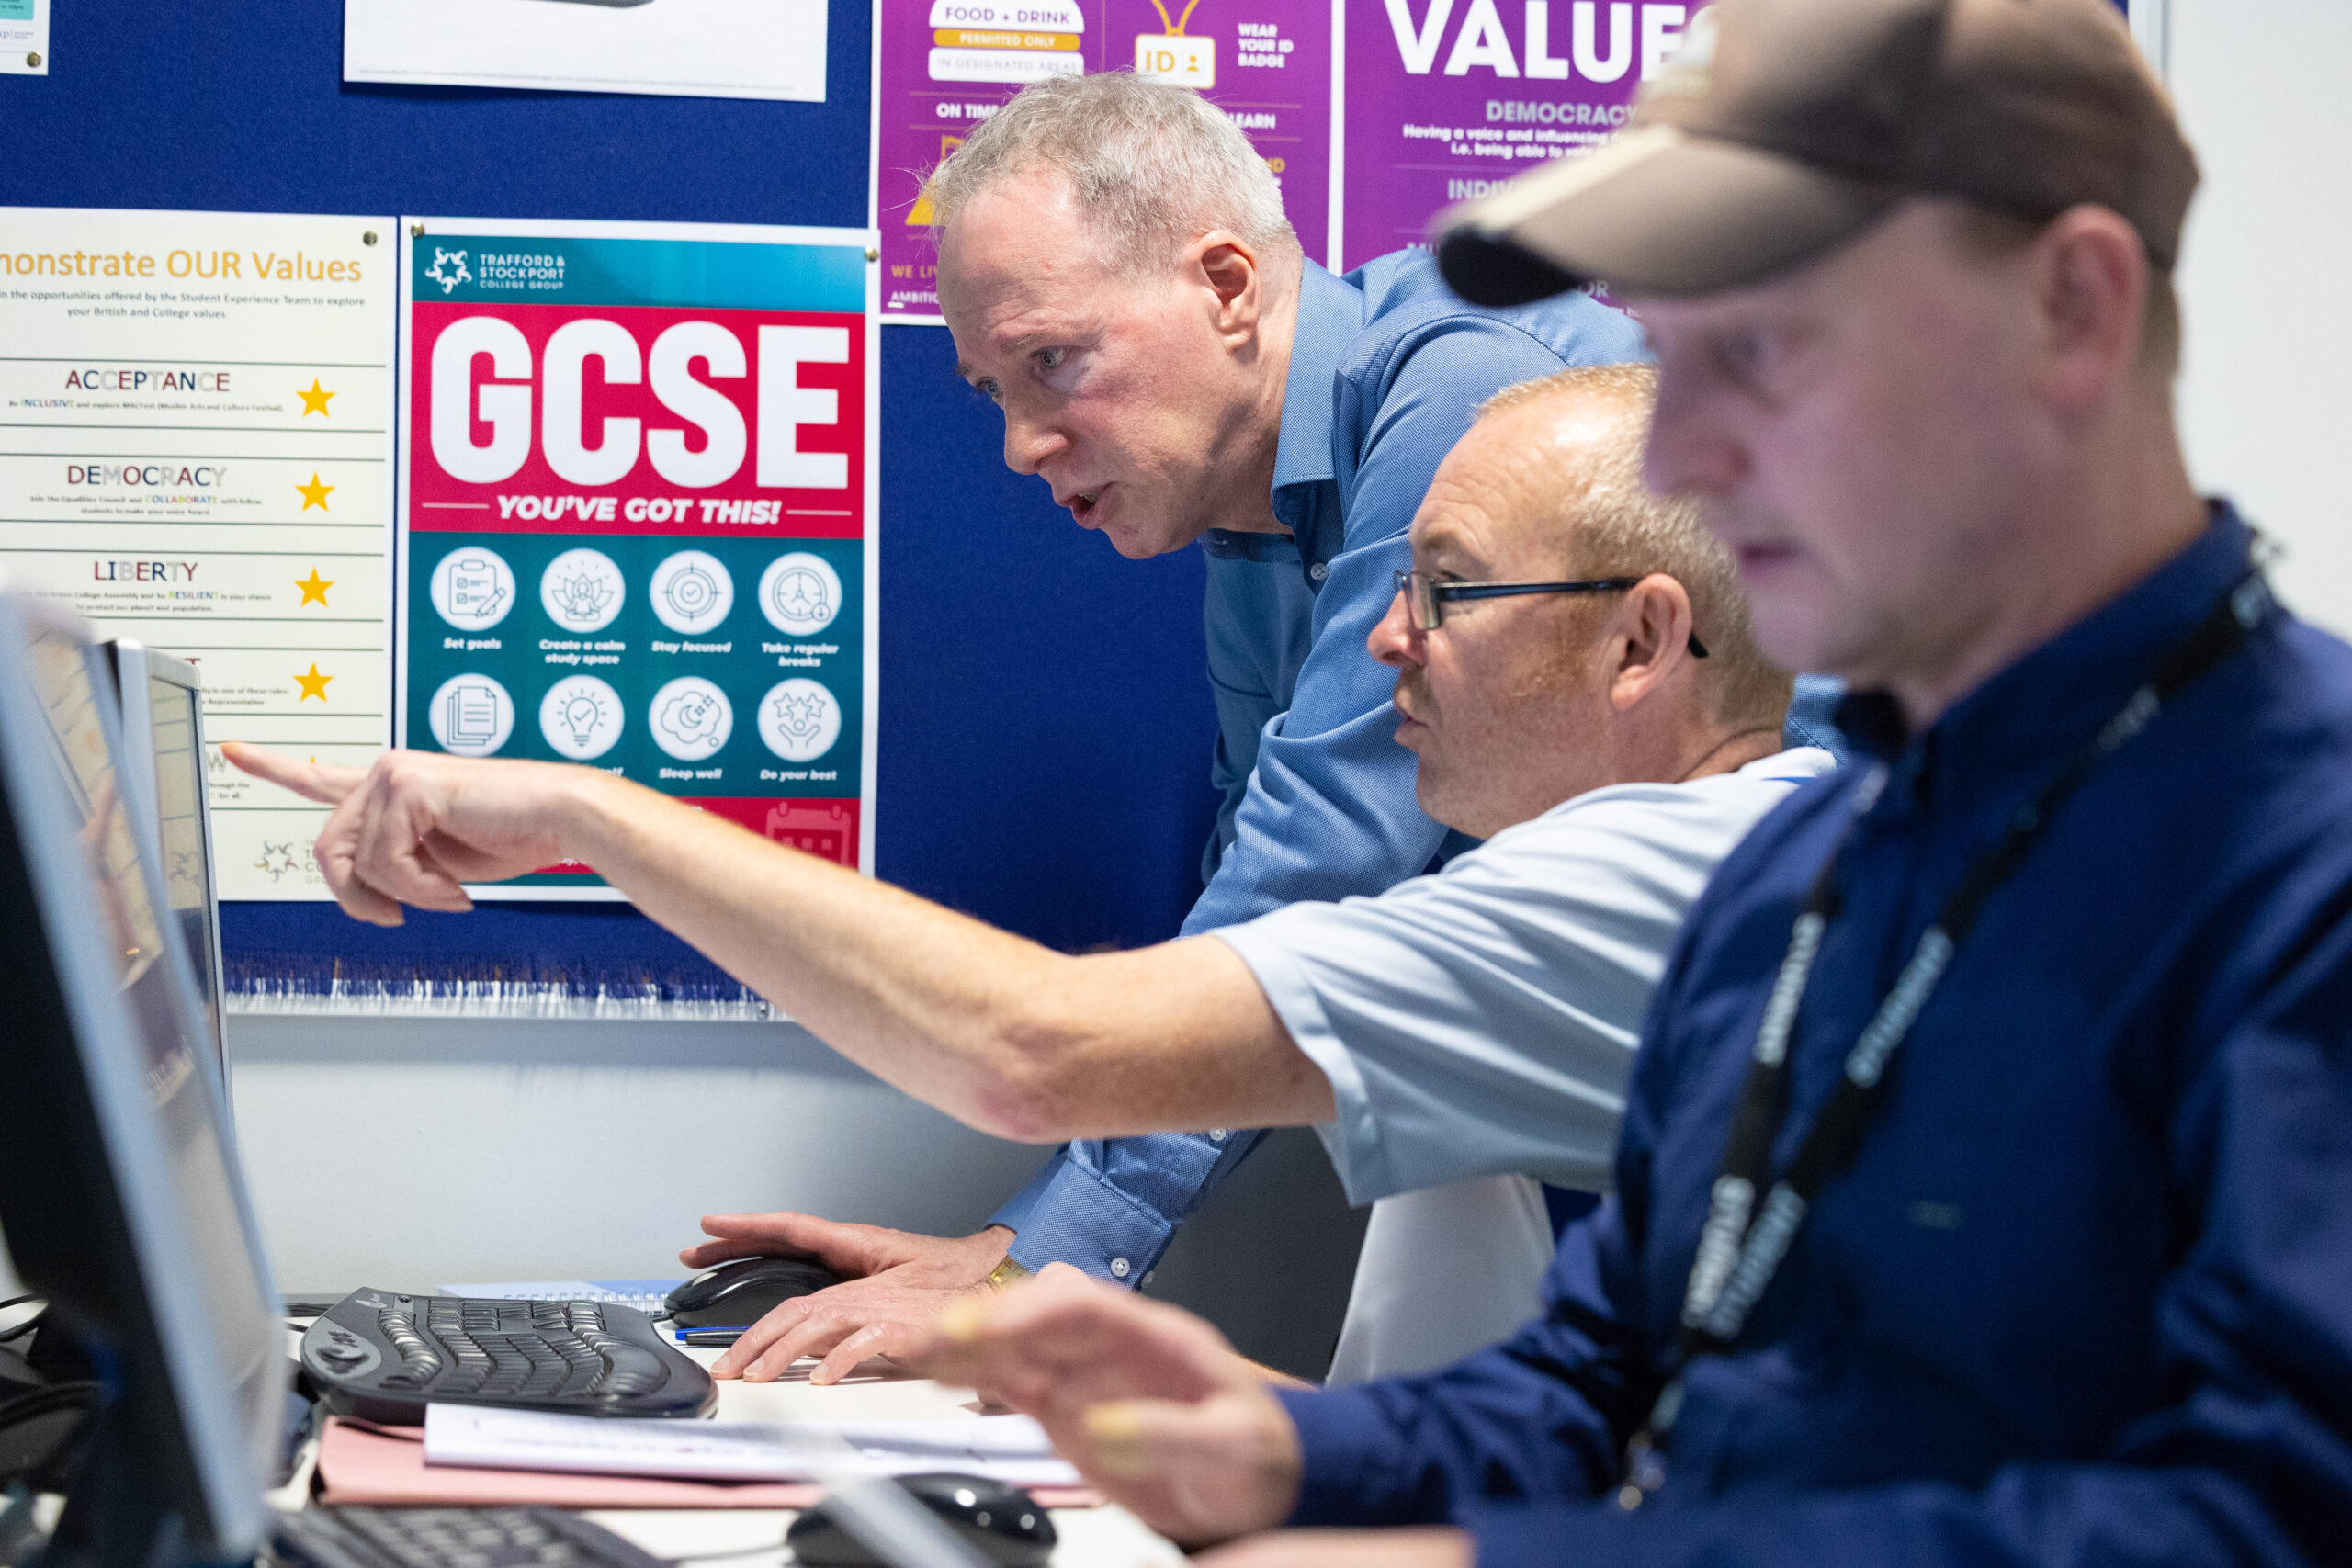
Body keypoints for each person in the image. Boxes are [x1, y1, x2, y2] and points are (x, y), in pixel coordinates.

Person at [908, 1, 2352, 1564]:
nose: (1685, 452)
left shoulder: (2299, 857)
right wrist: (1254, 1441)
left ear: (2071, 309)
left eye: (1767, 347)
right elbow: (1596, 1391)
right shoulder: (1805, 860)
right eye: (1675, 350)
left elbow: (2269, 1516)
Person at [224, 364, 1830, 1385]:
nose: (1391, 640)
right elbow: (1466, 1442)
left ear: (1642, 642)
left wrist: (592, 814)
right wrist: (1051, 1338)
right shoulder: (1669, 858)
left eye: (1452, 591)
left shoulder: (1676, 878)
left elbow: (1038, 1051)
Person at [919, 69, 1650, 1341]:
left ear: (1227, 286)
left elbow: (1311, 873)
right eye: (995, 391)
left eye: (1053, 362)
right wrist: (1019, 1246)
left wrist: (1041, 1267)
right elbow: (1254, 883)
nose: (1021, 444)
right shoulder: (1260, 518)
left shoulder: (1463, 387)